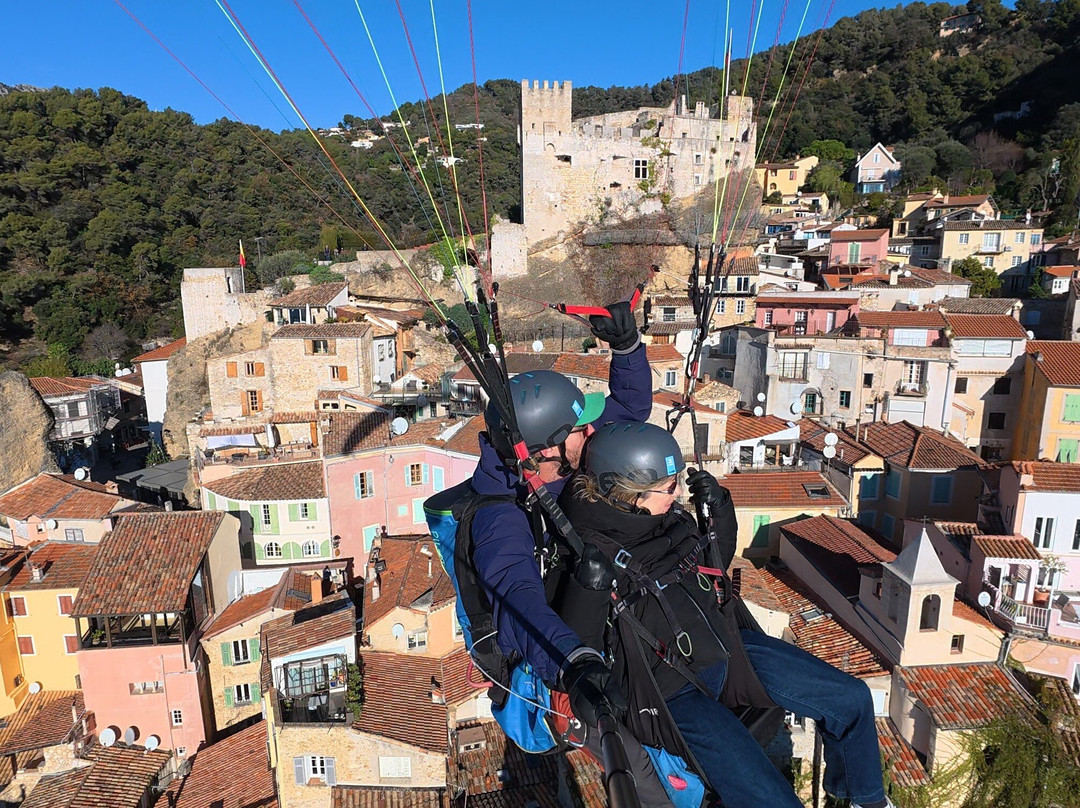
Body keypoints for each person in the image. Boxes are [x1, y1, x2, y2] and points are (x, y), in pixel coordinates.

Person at [557, 421, 895, 808]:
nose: (678, 492)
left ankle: (865, 799)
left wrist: (719, 511)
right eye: (669, 487)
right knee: (772, 800)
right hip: (669, 693)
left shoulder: (665, 519)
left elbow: (710, 567)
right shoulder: (589, 551)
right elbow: (577, 647)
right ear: (629, 495)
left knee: (851, 699)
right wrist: (586, 590)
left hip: (724, 649)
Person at [468, 302, 675, 806]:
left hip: (594, 632)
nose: (593, 431)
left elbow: (628, 411)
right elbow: (518, 600)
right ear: (544, 451)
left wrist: (626, 349)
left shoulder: (559, 464)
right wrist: (575, 664)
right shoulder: (501, 521)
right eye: (581, 428)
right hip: (556, 673)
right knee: (662, 789)